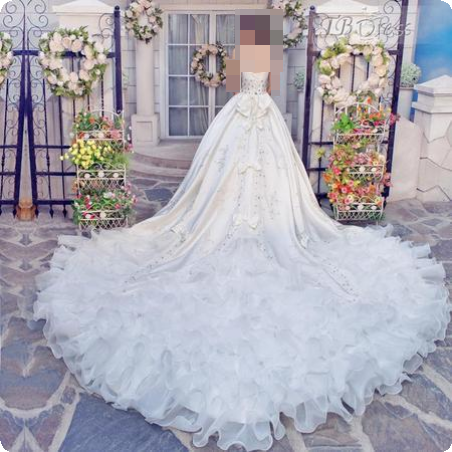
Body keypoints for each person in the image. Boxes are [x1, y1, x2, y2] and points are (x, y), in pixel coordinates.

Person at [33, 10, 451, 452]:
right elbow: (266, 88)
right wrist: (258, 92)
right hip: (262, 118)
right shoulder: (268, 53)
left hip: (242, 118)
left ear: (248, 38)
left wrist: (247, 90)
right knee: (252, 178)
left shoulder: (241, 54)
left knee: (232, 178)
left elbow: (238, 86)